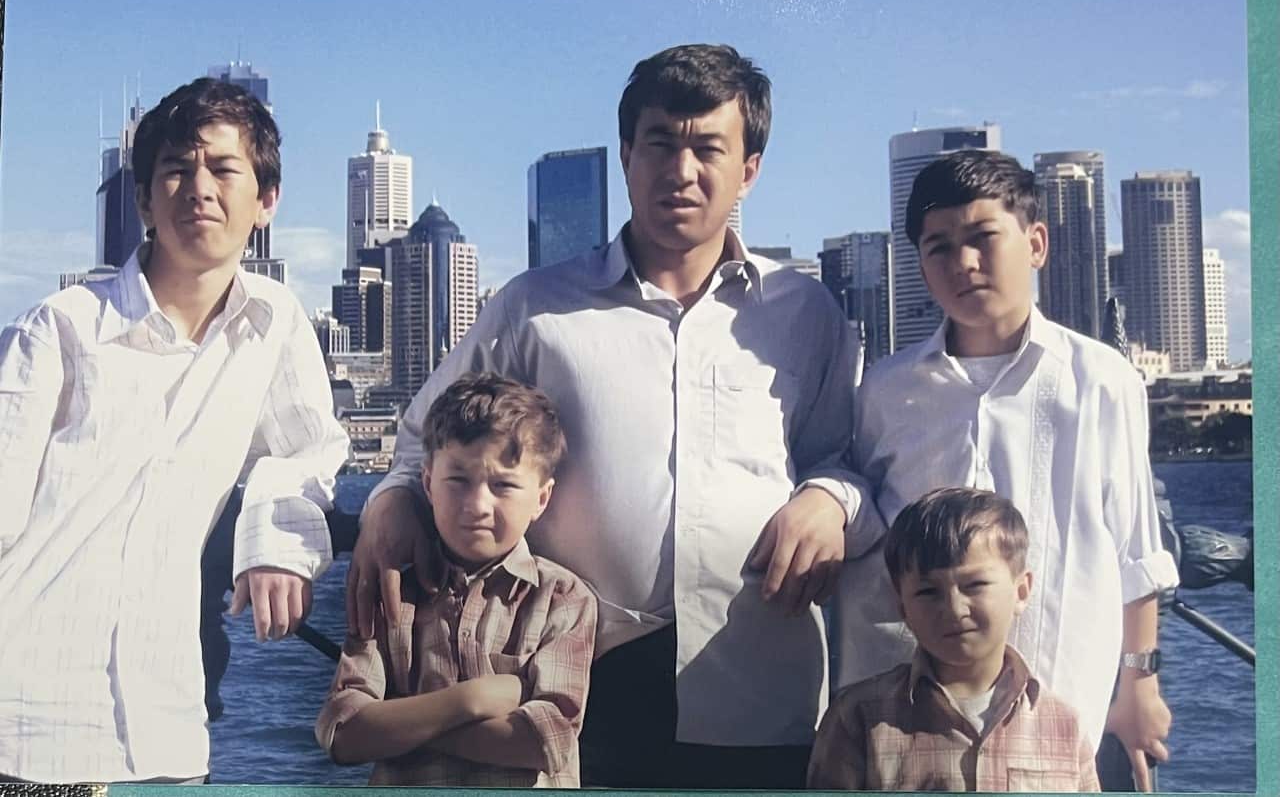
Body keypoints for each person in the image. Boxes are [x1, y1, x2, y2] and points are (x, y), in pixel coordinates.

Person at [347, 43, 876, 788]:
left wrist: (831, 500)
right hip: (572, 687)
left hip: (758, 681)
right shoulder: (535, 308)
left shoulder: (805, 311)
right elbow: (420, 439)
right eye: (660, 142)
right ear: (627, 154)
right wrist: (390, 506)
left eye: (708, 148)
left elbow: (846, 456)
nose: (681, 170)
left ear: (749, 169)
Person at [0, 77, 349, 784]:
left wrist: (276, 543)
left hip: (163, 736)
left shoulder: (274, 323)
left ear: (266, 201)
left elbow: (310, 450)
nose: (198, 188)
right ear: (143, 199)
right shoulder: (61, 326)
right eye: (175, 169)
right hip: (23, 719)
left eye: (223, 169)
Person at [830, 149, 1179, 791]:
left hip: (1063, 703)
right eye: (938, 247)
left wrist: (1139, 681)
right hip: (914, 724)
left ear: (1036, 242)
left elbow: (1137, 548)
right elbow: (869, 523)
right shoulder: (884, 390)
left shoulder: (1101, 379)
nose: (962, 262)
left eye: (983, 238)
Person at [315, 372, 596, 786]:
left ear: (541, 498)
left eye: (503, 485)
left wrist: (402, 723)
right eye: (458, 481)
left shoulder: (563, 599)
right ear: (428, 483)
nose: (477, 505)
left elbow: (545, 741)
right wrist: (472, 700)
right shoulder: (392, 592)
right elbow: (342, 732)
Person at [809, 486, 1099, 792]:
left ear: (1021, 590)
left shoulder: (1064, 726)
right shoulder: (858, 718)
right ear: (902, 605)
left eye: (974, 585)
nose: (954, 609)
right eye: (928, 592)